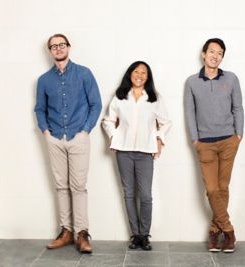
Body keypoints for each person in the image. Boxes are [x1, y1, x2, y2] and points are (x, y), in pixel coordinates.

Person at [34, 33, 102, 253]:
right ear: (50, 51)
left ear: (69, 47)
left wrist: (85, 131)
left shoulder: (84, 73)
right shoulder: (44, 80)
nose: (58, 49)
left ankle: (82, 233)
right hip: (54, 138)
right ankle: (66, 231)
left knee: (78, 187)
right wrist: (46, 132)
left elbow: (96, 104)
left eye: (61, 45)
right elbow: (39, 109)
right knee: (61, 186)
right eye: (54, 46)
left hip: (78, 137)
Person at [102, 61, 171, 251]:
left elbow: (166, 122)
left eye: (144, 73)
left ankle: (145, 235)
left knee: (146, 196)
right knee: (129, 194)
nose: (139, 75)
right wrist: (114, 136)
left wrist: (159, 139)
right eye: (136, 71)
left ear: (148, 77)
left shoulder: (154, 98)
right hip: (123, 152)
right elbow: (107, 121)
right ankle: (135, 235)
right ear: (130, 74)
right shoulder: (120, 97)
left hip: (145, 152)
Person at [184, 38, 244, 253]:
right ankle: (227, 230)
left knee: (223, 187)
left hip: (229, 140)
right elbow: (189, 111)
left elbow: (238, 107)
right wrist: (195, 139)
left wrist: (239, 135)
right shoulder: (192, 82)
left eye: (220, 53)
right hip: (205, 143)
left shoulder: (231, 78)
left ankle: (214, 231)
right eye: (212, 51)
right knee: (212, 189)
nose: (215, 55)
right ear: (203, 54)